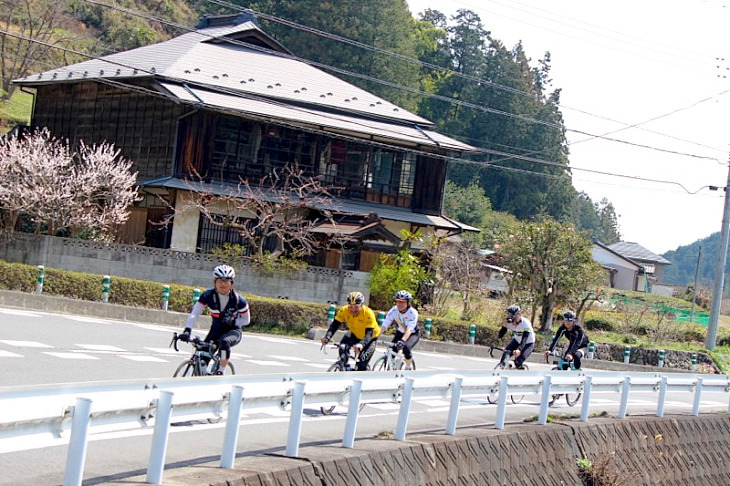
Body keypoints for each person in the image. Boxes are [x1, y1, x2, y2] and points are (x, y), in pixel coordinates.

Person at [179, 264, 250, 375]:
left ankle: (221, 370)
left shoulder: (238, 300)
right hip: (215, 331)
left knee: (224, 342)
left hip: (233, 332)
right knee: (202, 357)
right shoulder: (207, 295)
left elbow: (246, 320)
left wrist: (233, 321)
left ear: (231, 283)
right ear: (214, 282)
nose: (223, 284)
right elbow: (195, 314)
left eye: (226, 281)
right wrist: (187, 330)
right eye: (220, 280)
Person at [321, 291, 380, 371]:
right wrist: (327, 337)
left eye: (356, 307)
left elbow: (369, 333)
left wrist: (361, 345)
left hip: (370, 338)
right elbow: (335, 325)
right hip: (354, 334)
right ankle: (343, 366)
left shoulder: (368, 313)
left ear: (361, 305)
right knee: (343, 346)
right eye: (350, 306)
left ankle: (363, 372)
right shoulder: (344, 310)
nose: (352, 309)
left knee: (361, 364)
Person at [380, 290, 419, 370]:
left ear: (407, 303)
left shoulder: (413, 313)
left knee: (406, 348)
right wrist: (376, 335)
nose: (400, 304)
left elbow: (409, 330)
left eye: (403, 302)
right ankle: (392, 369)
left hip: (412, 334)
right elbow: (385, 324)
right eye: (398, 302)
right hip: (400, 332)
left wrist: (403, 340)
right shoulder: (394, 310)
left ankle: (408, 367)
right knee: (392, 350)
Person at [497, 304, 535, 369]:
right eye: (510, 316)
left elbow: (524, 338)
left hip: (528, 343)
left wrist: (519, 350)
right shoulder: (508, 322)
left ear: (520, 315)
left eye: (514, 317)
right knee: (506, 354)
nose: (513, 319)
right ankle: (503, 369)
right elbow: (500, 336)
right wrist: (504, 326)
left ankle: (521, 370)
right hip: (517, 340)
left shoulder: (526, 323)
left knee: (519, 360)